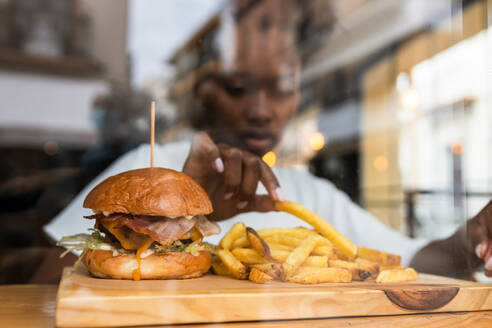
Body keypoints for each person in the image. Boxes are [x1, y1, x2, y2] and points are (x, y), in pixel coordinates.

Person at [46, 0, 492, 279]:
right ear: (205, 92)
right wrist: (177, 216)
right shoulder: (149, 161)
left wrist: (475, 237)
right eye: (238, 88)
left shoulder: (308, 192)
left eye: (281, 88)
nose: (261, 110)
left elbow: (414, 260)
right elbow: (41, 272)